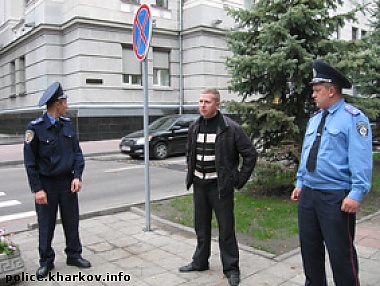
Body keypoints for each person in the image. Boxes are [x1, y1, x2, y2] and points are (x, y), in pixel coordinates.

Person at [291, 60, 373, 286]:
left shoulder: (353, 118)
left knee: (340, 254)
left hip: (335, 197)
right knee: (310, 249)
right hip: (309, 194)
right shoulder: (315, 119)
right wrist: (300, 181)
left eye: (317, 91)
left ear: (331, 90)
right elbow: (307, 152)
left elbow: (361, 158)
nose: (313, 96)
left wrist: (356, 192)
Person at [179, 88, 257, 286]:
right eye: (200, 101)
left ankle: (231, 268)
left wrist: (238, 180)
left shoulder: (230, 128)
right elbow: (190, 152)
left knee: (226, 230)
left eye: (207, 102)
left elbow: (250, 154)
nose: (202, 106)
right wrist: (192, 173)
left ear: (217, 104)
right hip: (199, 185)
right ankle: (200, 261)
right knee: (201, 227)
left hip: (220, 187)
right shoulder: (194, 126)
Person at [24, 82, 91, 278]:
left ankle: (74, 255)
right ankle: (46, 261)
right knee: (46, 225)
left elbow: (77, 153)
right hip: (46, 185)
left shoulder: (67, 125)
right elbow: (30, 163)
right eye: (65, 102)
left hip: (67, 183)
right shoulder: (35, 128)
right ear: (57, 104)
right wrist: (37, 189)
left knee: (72, 222)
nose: (67, 106)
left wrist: (77, 176)